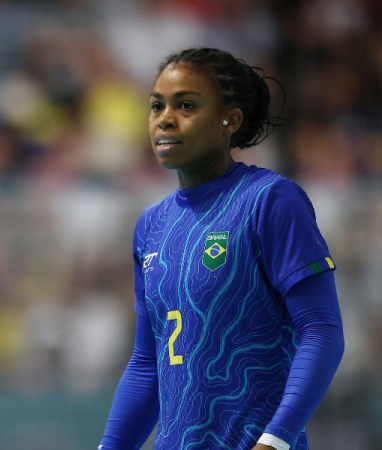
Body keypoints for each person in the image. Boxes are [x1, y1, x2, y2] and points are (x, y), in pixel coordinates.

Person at [98, 48, 344, 450]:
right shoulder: (151, 225)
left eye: (187, 105)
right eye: (156, 105)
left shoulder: (269, 200)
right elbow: (148, 364)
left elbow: (322, 331)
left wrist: (275, 441)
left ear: (229, 120)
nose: (165, 118)